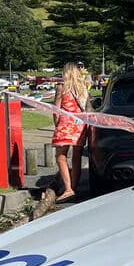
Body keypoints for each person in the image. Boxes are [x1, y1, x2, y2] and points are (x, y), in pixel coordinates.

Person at [51, 61, 89, 202]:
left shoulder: (62, 87)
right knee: (77, 157)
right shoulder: (83, 87)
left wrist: (56, 125)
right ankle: (74, 187)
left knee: (61, 156)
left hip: (65, 125)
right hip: (80, 125)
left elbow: (56, 110)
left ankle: (67, 189)